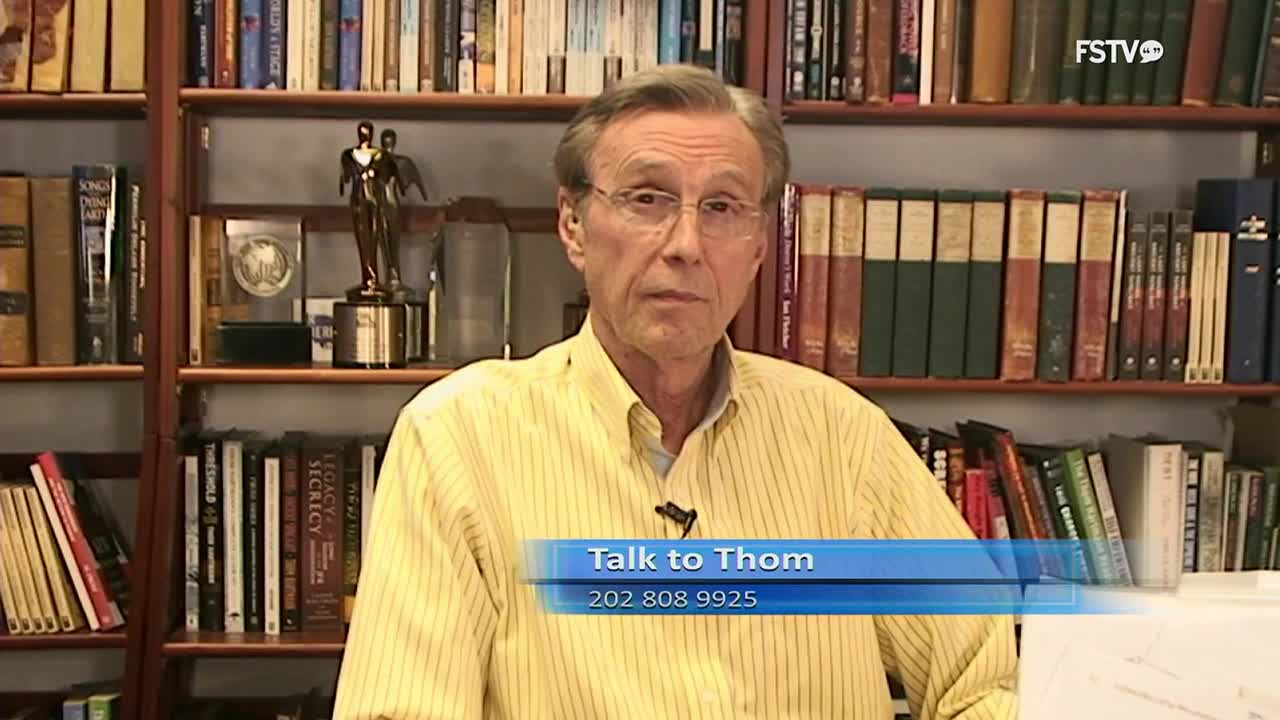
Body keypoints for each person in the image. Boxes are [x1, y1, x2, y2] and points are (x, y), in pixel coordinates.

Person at [332, 64, 1018, 719]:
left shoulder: (844, 435)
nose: (685, 242)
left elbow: (984, 683)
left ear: (756, 246)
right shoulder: (459, 437)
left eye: (721, 207)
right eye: (647, 198)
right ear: (573, 224)